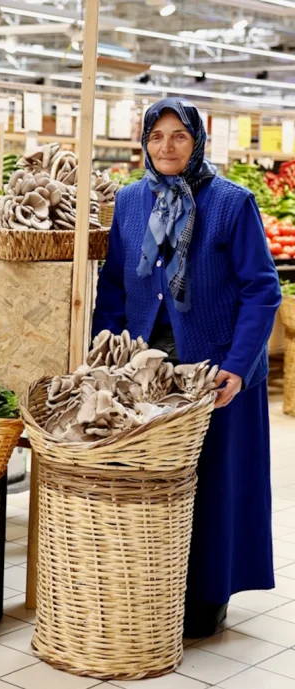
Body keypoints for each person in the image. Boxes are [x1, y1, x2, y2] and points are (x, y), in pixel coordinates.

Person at [93, 97, 282, 639]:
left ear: (197, 141)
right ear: (144, 143)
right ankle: (151, 589)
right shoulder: (130, 201)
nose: (167, 147)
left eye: (179, 136)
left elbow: (261, 291)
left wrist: (238, 367)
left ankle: (205, 600)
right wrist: (108, 354)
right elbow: (112, 286)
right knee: (156, 484)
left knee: (212, 482)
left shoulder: (231, 203)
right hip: (143, 373)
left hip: (211, 371)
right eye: (156, 137)